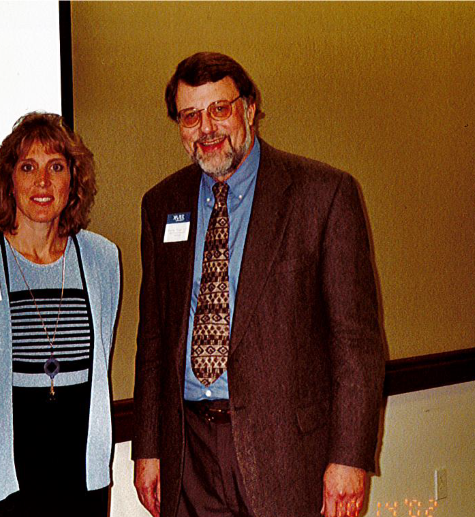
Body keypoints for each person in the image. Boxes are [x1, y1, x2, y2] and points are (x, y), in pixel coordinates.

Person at [132, 52, 384, 517]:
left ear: (249, 109)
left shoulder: (323, 195)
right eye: (190, 116)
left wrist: (349, 458)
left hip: (286, 454)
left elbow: (357, 345)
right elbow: (152, 339)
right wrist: (148, 448)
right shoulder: (161, 204)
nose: (206, 127)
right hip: (188, 452)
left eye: (219, 109)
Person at [0, 112, 120, 517]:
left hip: (76, 481)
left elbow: (99, 366)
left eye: (56, 167)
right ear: (9, 179)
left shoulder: (102, 259)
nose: (42, 183)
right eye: (28, 167)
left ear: (73, 181)